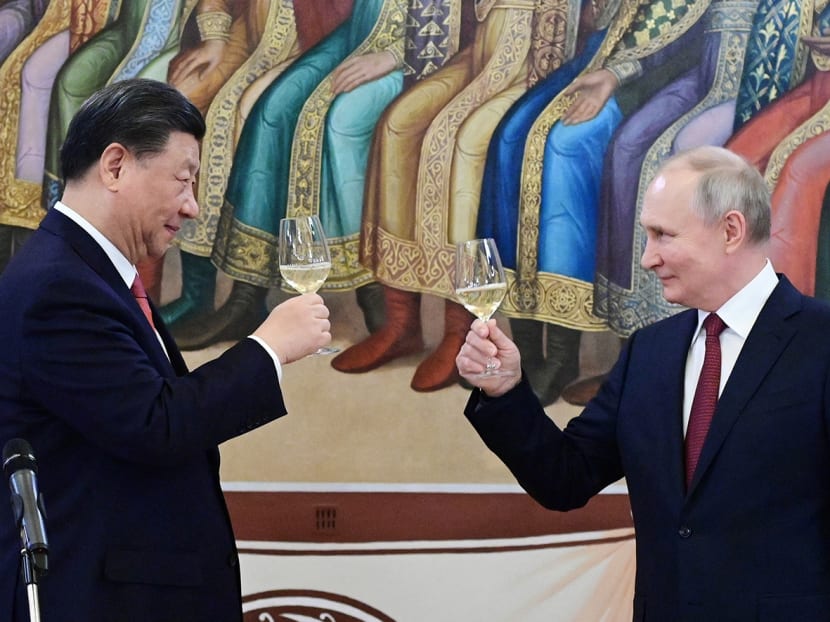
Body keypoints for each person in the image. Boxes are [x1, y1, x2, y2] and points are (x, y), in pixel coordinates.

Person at [0, 78, 331, 621]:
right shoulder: (56, 287)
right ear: (115, 166)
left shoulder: (89, 274)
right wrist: (267, 348)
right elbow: (156, 423)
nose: (193, 206)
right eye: (183, 180)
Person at [457, 145, 830, 618]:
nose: (648, 258)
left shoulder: (821, 341)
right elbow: (564, 479)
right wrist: (506, 390)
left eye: (662, 235)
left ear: (731, 231)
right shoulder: (649, 352)